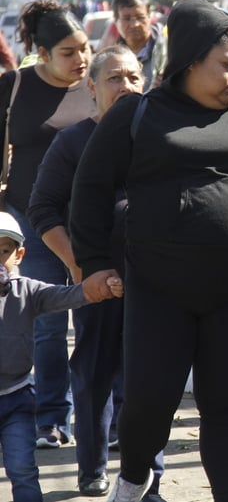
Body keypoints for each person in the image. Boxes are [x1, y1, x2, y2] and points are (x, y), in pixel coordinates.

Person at [68, 0, 228, 502]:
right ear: (189, 60)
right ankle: (136, 474)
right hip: (159, 287)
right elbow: (90, 190)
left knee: (225, 405)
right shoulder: (135, 116)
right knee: (148, 404)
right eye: (227, 64)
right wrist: (92, 265)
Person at [27, 45, 164, 499]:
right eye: (114, 78)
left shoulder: (160, 137)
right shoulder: (73, 142)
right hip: (97, 281)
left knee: (150, 376)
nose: (126, 86)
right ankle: (92, 469)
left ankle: (150, 474)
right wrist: (80, 268)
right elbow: (43, 210)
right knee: (94, 375)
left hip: (155, 281)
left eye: (133, 77)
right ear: (92, 87)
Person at [0, 0, 98, 449]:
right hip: (30, 223)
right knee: (48, 324)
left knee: (98, 317)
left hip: (92, 222)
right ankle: (51, 419)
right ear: (41, 52)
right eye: (68, 52)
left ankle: (101, 417)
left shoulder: (96, 87)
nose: (81, 60)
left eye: (85, 49)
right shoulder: (14, 86)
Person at [0, 211, 122, 502]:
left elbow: (66, 295)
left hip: (17, 398)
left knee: (22, 468)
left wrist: (98, 288)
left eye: (4, 250)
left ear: (19, 255)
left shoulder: (27, 291)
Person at [111, 0, 167, 90]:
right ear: (116, 20)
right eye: (127, 19)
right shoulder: (112, 60)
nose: (134, 24)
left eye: (140, 17)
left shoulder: (166, 51)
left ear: (149, 16)